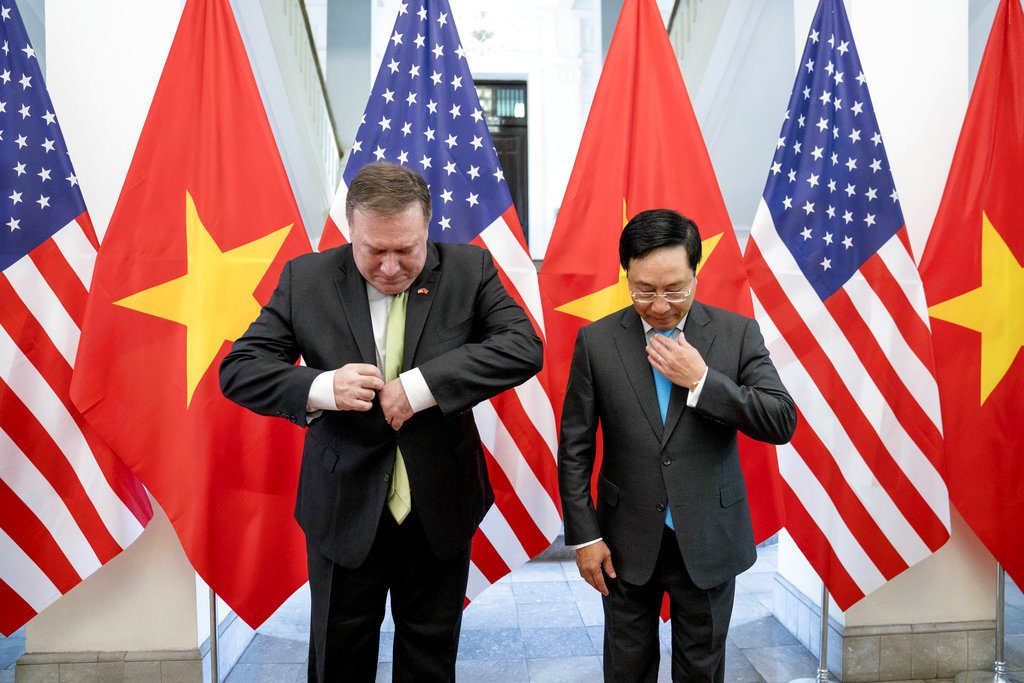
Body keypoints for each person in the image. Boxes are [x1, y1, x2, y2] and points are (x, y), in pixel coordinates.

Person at [220, 162, 543, 682]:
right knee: (338, 661)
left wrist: (419, 388)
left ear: (427, 228)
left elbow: (523, 347)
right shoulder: (307, 279)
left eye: (406, 250)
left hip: (439, 504)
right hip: (342, 507)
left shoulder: (469, 269)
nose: (391, 267)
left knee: (430, 659)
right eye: (374, 251)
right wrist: (323, 387)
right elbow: (239, 370)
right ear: (352, 230)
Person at [557, 209, 796, 682]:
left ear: (695, 272)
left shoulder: (736, 333)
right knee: (627, 667)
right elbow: (575, 448)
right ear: (626, 274)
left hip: (709, 534)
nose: (660, 304)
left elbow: (780, 419)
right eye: (644, 290)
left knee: (701, 669)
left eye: (675, 289)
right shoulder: (598, 341)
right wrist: (585, 536)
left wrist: (704, 381)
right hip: (624, 539)